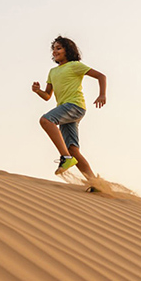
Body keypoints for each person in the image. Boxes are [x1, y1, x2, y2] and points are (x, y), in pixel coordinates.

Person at [32, 36, 107, 179]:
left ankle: (65, 158)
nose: (55, 51)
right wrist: (38, 91)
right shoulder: (52, 72)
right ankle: (95, 183)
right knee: (73, 150)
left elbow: (101, 76)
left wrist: (102, 94)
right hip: (65, 110)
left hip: (75, 106)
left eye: (59, 48)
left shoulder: (74, 65)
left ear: (68, 50)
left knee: (46, 120)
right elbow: (48, 96)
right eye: (53, 49)